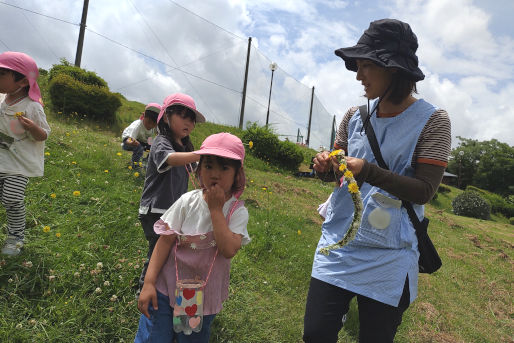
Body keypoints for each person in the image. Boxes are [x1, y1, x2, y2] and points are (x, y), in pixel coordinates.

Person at [303, 19, 451, 343]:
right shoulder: (354, 116)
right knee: (315, 334)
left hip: (390, 255)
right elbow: (342, 171)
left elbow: (424, 191)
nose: (358, 75)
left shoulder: (434, 121)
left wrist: (368, 170)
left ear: (394, 69)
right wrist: (325, 167)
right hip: (340, 244)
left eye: (366, 65)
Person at [134, 132, 250, 343]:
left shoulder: (236, 212)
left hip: (199, 297)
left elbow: (228, 249)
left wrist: (216, 211)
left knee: (188, 337)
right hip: (165, 287)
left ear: (237, 174)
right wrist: (149, 282)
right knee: (153, 337)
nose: (215, 174)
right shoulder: (188, 201)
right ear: (199, 169)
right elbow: (165, 241)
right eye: (208, 166)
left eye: (224, 168)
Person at [137, 93, 206, 293]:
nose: (189, 123)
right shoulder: (161, 141)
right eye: (183, 116)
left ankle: (157, 287)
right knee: (158, 251)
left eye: (192, 120)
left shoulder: (184, 147)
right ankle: (144, 290)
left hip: (171, 212)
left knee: (165, 251)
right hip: (154, 209)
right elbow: (170, 159)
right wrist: (199, 154)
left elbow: (194, 169)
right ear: (166, 116)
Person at [0, 51, 51, 256]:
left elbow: (43, 135)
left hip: (19, 165)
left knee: (12, 197)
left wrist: (32, 128)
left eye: (2, 73)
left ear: (21, 82)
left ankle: (16, 236)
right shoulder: (4, 99)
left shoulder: (32, 107)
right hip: (2, 159)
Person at [121, 103, 160, 168]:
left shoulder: (153, 128)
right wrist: (132, 142)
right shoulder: (137, 125)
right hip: (128, 141)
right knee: (139, 147)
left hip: (141, 141)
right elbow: (129, 139)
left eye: (154, 124)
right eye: (149, 122)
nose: (150, 126)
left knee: (154, 148)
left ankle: (146, 162)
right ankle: (135, 165)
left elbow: (150, 137)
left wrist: (152, 146)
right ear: (143, 116)